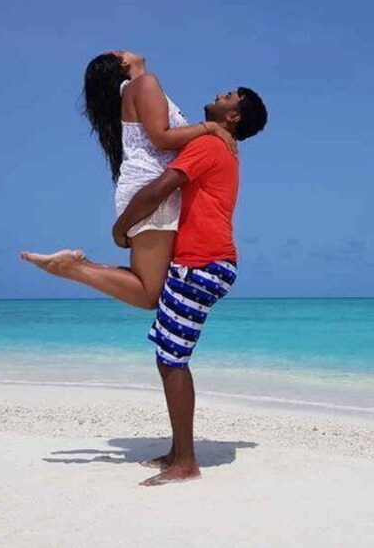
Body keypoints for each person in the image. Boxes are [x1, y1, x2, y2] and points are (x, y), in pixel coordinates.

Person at [112, 87, 268, 485]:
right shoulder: (223, 146)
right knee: (169, 356)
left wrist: (122, 226)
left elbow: (159, 189)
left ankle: (186, 462)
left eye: (228, 96)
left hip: (200, 263)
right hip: (208, 263)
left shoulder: (210, 145)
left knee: (173, 360)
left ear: (233, 116)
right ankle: (178, 452)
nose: (219, 94)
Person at [21, 50, 235, 309]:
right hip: (152, 191)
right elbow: (161, 138)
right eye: (120, 52)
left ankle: (75, 266)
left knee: (152, 289)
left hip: (152, 189)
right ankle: (70, 267)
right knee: (149, 294)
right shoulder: (145, 83)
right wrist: (210, 127)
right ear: (123, 63)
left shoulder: (139, 88)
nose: (126, 49)